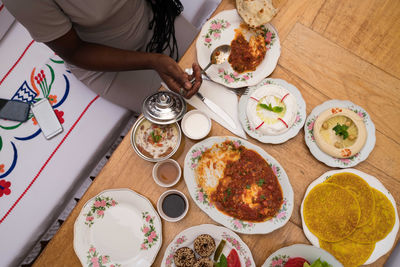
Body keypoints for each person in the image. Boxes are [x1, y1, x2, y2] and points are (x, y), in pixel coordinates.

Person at [3, 0, 202, 113]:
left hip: (153, 17)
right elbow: (74, 51)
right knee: (184, 113)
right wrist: (153, 60)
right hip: (106, 60)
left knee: (218, 71)